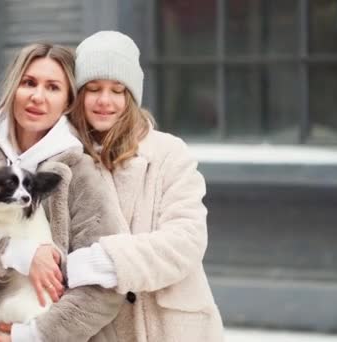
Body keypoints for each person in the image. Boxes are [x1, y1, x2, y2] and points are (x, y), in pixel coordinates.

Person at [0, 43, 125, 342]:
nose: (37, 96)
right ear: (13, 87)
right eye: (29, 83)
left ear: (68, 102)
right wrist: (18, 252)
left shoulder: (80, 171)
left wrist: (33, 335)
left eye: (53, 87)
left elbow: (105, 285)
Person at [65, 31, 225, 341]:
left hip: (172, 328)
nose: (104, 101)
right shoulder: (66, 158)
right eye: (93, 88)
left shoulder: (169, 153)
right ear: (78, 94)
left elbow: (185, 241)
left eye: (118, 90)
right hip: (100, 330)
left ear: (131, 96)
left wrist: (104, 261)